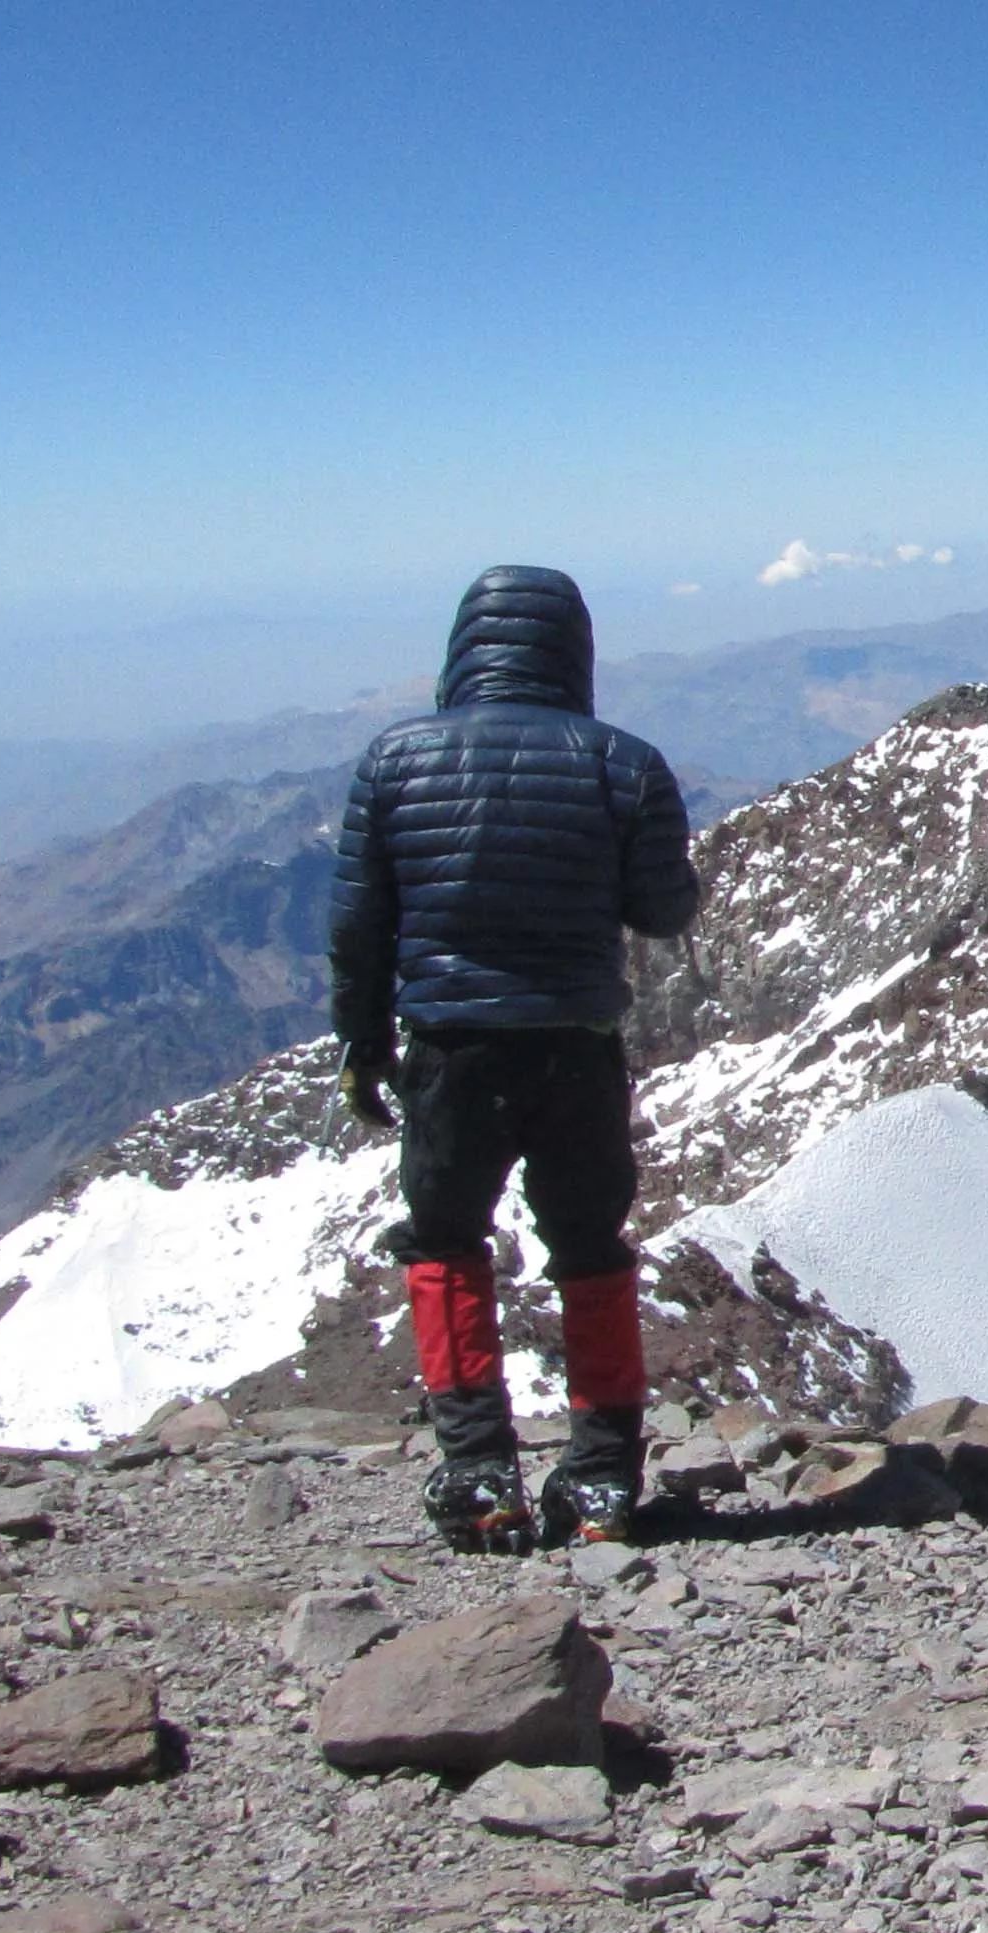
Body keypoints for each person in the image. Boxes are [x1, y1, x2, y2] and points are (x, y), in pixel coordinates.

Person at [330, 565, 703, 1553]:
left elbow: (361, 924)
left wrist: (363, 1045)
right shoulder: (622, 763)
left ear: (464, 648)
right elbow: (666, 909)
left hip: (450, 1048)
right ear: (574, 652)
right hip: (577, 1046)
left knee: (448, 1242)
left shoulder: (391, 761)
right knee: (590, 1250)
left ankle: (477, 1470)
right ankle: (602, 1480)